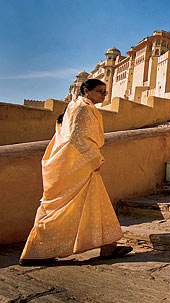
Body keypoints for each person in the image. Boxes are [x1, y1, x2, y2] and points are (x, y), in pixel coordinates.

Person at [20, 79, 131, 266]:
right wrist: (93, 159)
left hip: (75, 165)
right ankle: (36, 251)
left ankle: (108, 245)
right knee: (62, 209)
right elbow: (75, 138)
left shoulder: (76, 106)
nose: (104, 95)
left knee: (98, 204)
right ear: (86, 91)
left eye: (105, 92)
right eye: (100, 91)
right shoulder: (82, 108)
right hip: (77, 166)